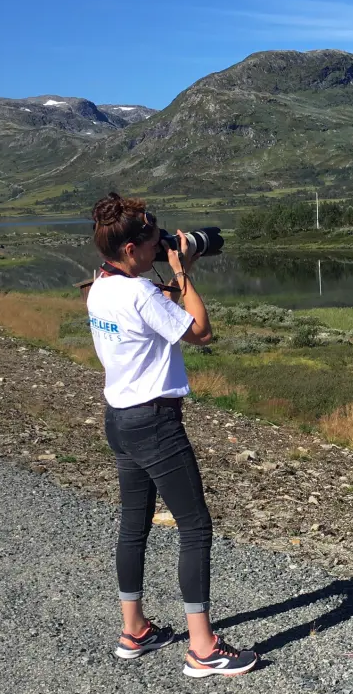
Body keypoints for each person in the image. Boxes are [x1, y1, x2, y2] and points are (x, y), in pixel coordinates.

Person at [87, 192, 257, 678]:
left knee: (134, 525)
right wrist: (183, 274)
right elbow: (201, 332)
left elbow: (145, 316)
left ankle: (134, 630)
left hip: (119, 419)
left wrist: (168, 279)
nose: (159, 245)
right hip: (155, 422)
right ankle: (203, 650)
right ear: (130, 250)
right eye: (152, 241)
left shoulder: (100, 287)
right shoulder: (139, 292)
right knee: (195, 527)